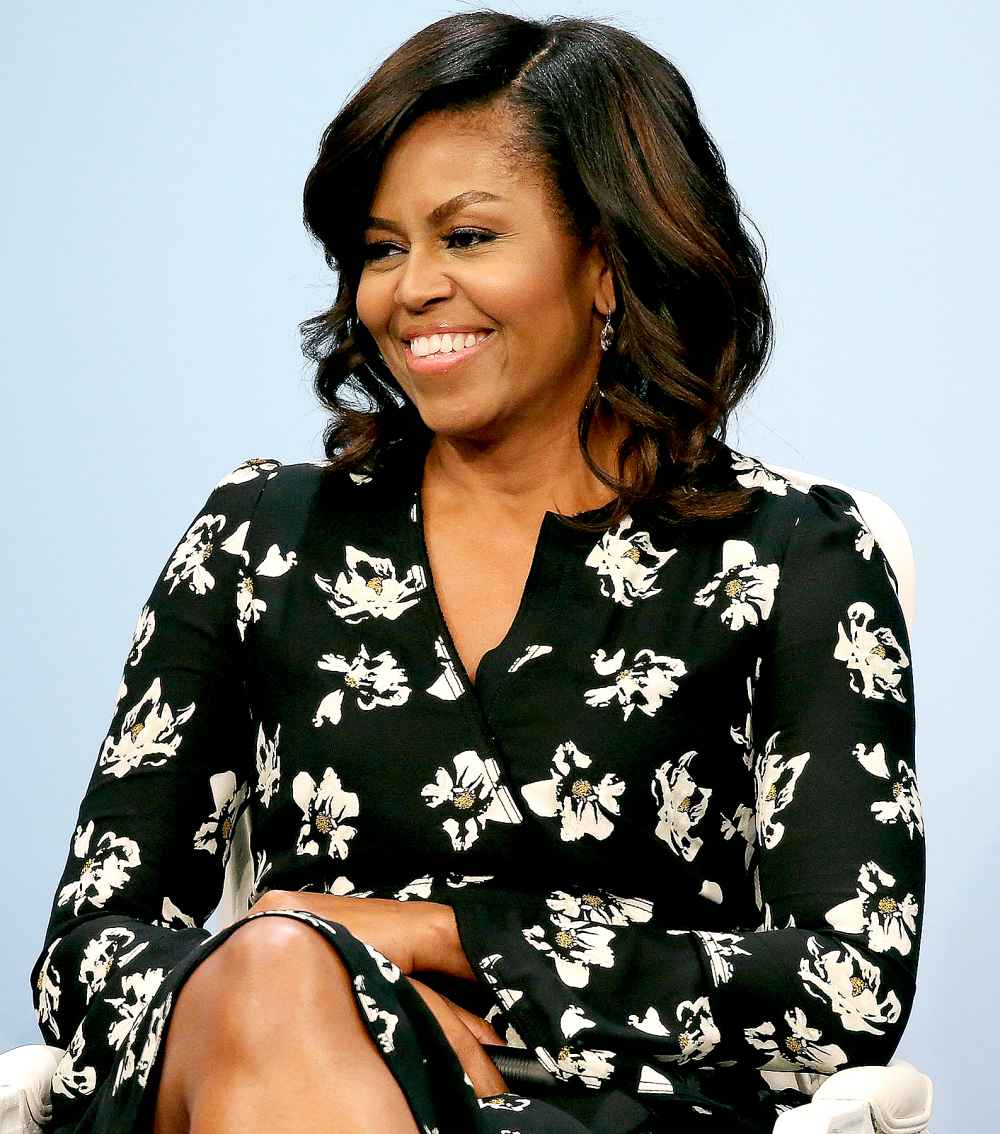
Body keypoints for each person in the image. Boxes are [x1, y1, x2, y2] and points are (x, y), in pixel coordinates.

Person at [29, 10, 924, 1134]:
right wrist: (320, 995)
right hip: (256, 1071)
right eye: (381, 247)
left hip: (593, 1118)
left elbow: (844, 989)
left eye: (466, 237)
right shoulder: (259, 537)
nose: (409, 291)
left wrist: (426, 944)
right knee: (274, 981)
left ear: (608, 259)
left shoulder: (793, 556)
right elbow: (86, 956)